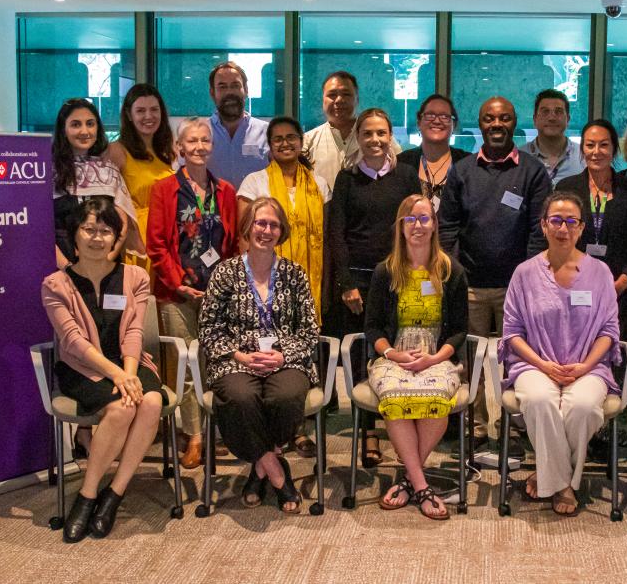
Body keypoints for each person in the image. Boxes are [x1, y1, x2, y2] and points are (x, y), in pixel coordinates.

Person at [41, 197, 166, 543]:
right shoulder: (55, 285)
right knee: (123, 407)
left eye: (105, 230)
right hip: (83, 367)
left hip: (130, 360)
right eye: (89, 229)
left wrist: (128, 372)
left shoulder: (135, 277)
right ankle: (88, 493)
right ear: (75, 236)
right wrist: (118, 377)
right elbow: (74, 342)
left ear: (115, 238)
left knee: (152, 403)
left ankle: (115, 492)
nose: (97, 238)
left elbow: (133, 332)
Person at [439, 96, 552, 444]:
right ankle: (474, 425)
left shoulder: (532, 171)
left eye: (504, 118)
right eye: (489, 118)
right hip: (470, 285)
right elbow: (447, 228)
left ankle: (513, 426)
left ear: (515, 123)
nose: (497, 124)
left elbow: (539, 230)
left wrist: (526, 281)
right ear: (480, 124)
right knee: (471, 361)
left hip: (516, 291)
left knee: (517, 360)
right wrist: (456, 275)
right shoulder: (462, 171)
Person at [500, 192, 621, 516]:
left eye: (571, 221)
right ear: (543, 225)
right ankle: (565, 485)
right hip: (533, 364)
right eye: (556, 220)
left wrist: (584, 367)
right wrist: (543, 365)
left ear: (582, 228)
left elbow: (609, 332)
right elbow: (512, 332)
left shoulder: (600, 273)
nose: (563, 228)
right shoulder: (524, 273)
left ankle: (547, 474)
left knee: (581, 406)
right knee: (540, 401)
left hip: (589, 366)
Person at [198, 197, 320, 514]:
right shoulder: (225, 273)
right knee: (240, 398)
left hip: (286, 360)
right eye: (259, 223)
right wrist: (239, 355)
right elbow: (209, 328)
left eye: (273, 225)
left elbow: (309, 330)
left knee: (287, 395)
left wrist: (282, 356)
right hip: (236, 362)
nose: (266, 230)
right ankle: (278, 472)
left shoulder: (295, 274)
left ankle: (258, 468)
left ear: (282, 232)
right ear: (247, 227)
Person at [327, 108, 422, 466]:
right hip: (359, 282)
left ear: (390, 135)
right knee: (361, 357)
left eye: (382, 133)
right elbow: (337, 234)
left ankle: (401, 426)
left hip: (399, 278)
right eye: (368, 134)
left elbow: (417, 227)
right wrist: (346, 283)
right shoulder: (346, 179)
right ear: (358, 138)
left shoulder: (407, 177)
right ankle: (367, 431)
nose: (375, 140)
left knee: (399, 353)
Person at [366, 195, 468, 520]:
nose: (417, 226)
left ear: (435, 224)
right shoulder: (386, 271)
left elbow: (460, 331)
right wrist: (393, 353)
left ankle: (409, 480)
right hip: (394, 354)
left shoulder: (451, 271)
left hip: (436, 355)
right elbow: (372, 328)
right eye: (410, 220)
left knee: (438, 398)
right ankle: (422, 486)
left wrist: (435, 357)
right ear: (400, 227)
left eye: (424, 219)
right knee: (395, 397)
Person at [147, 117, 240, 469]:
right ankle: (195, 436)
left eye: (205, 140)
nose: (199, 147)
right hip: (178, 292)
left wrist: (227, 287)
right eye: (192, 141)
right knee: (186, 365)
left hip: (219, 294)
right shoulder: (164, 189)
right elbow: (156, 244)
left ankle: (217, 430)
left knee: (219, 361)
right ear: (179, 148)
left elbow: (230, 246)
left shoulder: (226, 192)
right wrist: (177, 284)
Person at [554, 119, 627, 446]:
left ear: (614, 149)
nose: (596, 151)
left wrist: (626, 276)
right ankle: (583, 422)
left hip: (622, 286)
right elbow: (559, 238)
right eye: (590, 145)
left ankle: (622, 426)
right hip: (577, 287)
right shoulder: (568, 189)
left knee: (620, 351)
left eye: (603, 145)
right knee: (582, 349)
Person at [237, 116, 332, 321]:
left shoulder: (319, 184)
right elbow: (244, 239)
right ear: (270, 145)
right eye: (278, 139)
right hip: (264, 280)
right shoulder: (254, 182)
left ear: (301, 141)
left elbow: (326, 238)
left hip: (309, 279)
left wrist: (326, 286)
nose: (285, 143)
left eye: (291, 137)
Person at [52, 98, 143, 271]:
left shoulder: (109, 170)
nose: (84, 131)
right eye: (76, 124)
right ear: (63, 129)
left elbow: (121, 227)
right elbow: (42, 230)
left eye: (90, 124)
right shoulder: (48, 173)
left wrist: (104, 263)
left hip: (107, 267)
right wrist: (69, 270)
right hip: (62, 268)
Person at [106, 83, 177, 271]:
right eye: (140, 110)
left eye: (154, 109)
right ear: (129, 115)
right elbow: (107, 205)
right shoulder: (116, 151)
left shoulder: (168, 151)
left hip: (168, 237)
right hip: (136, 241)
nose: (148, 116)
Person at [304, 71, 401, 188]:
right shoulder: (308, 141)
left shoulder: (382, 140)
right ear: (323, 100)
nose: (339, 100)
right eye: (332, 95)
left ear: (357, 99)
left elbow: (399, 175)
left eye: (346, 94)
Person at [397, 94, 471, 209]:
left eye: (444, 116)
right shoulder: (401, 163)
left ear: (454, 125)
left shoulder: (467, 164)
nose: (437, 121)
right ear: (419, 123)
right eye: (430, 115)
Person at [205, 61, 270, 188]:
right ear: (212, 93)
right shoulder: (200, 135)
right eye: (222, 87)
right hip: (211, 208)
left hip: (255, 207)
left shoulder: (267, 133)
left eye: (235, 85)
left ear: (245, 90)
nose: (229, 92)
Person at [521, 89, 584, 185]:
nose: (552, 118)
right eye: (545, 112)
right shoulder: (520, 157)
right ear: (535, 119)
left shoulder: (584, 156)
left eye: (558, 112)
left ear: (568, 119)